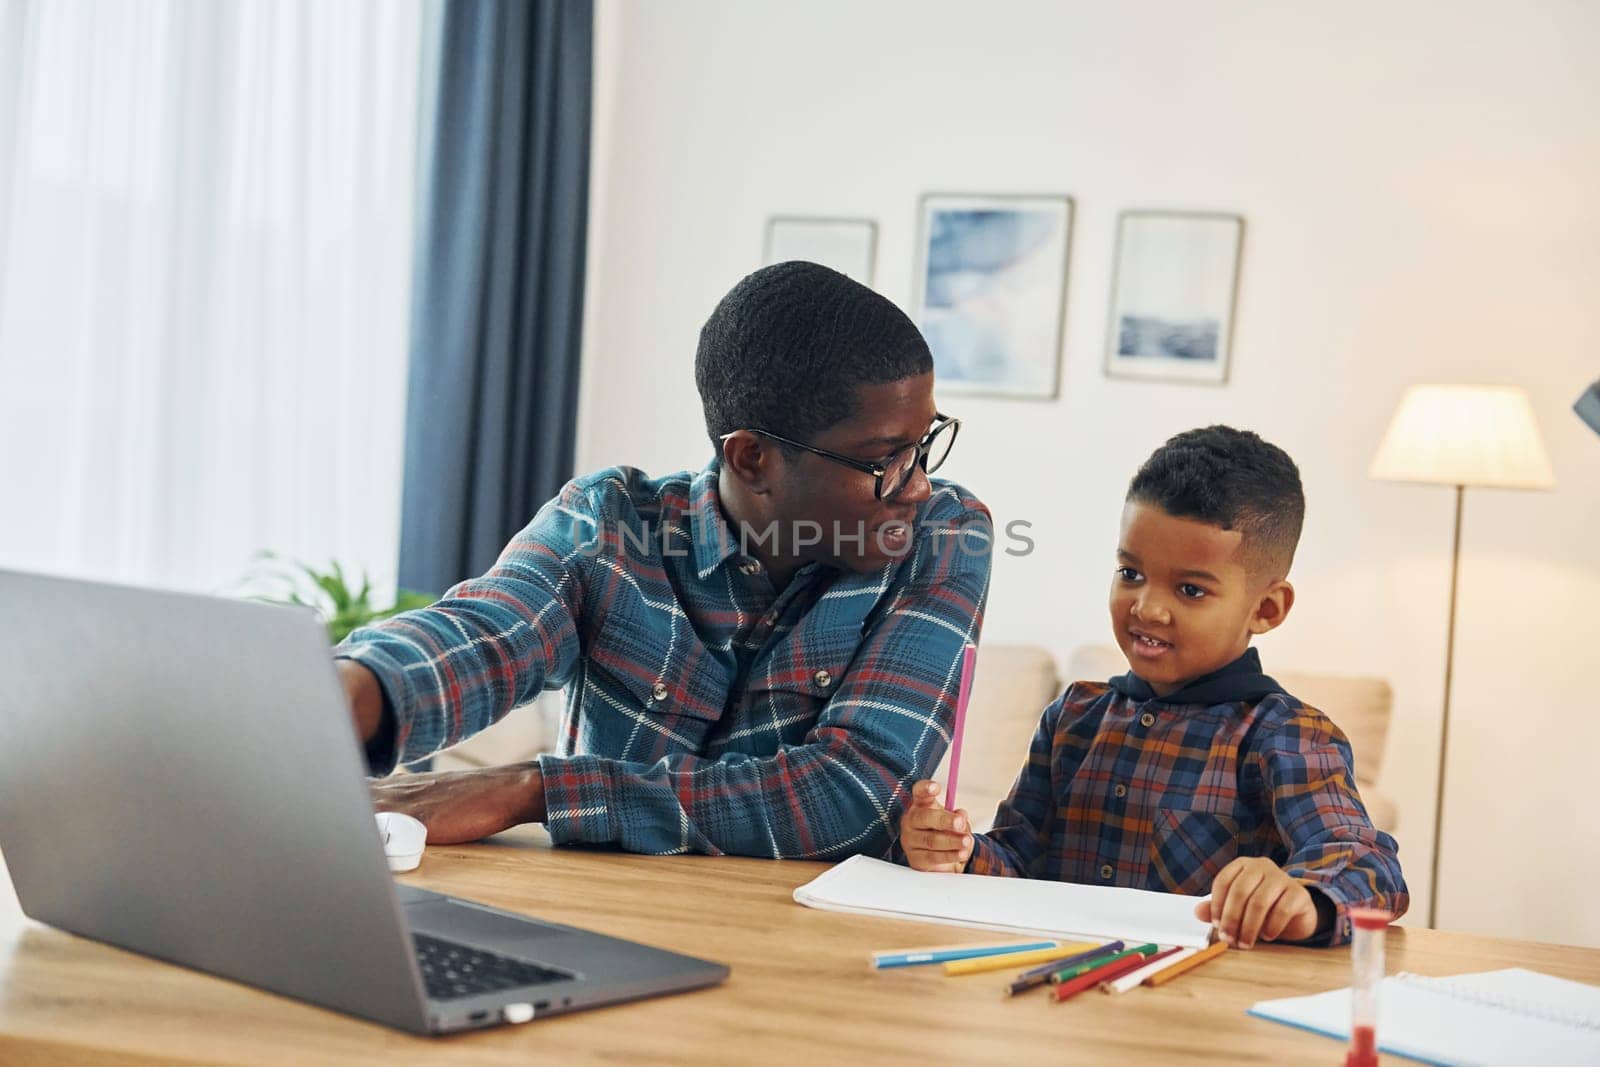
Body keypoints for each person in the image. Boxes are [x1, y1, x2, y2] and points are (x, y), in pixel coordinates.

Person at [338, 261, 993, 859]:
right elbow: (485, 636)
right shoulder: (610, 525)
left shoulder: (944, 536)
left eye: (924, 443)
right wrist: (344, 689)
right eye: (884, 460)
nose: (918, 485)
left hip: (815, 954)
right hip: (613, 929)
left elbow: (850, 795)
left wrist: (531, 790)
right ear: (752, 459)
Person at [899, 425, 1407, 948]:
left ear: (1266, 609)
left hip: (1197, 1006)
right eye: (1130, 572)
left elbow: (1369, 868)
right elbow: (1015, 860)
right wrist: (956, 850)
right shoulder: (1072, 717)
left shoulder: (1289, 736)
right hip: (1054, 993)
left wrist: (1305, 899)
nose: (1147, 607)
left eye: (1190, 589)